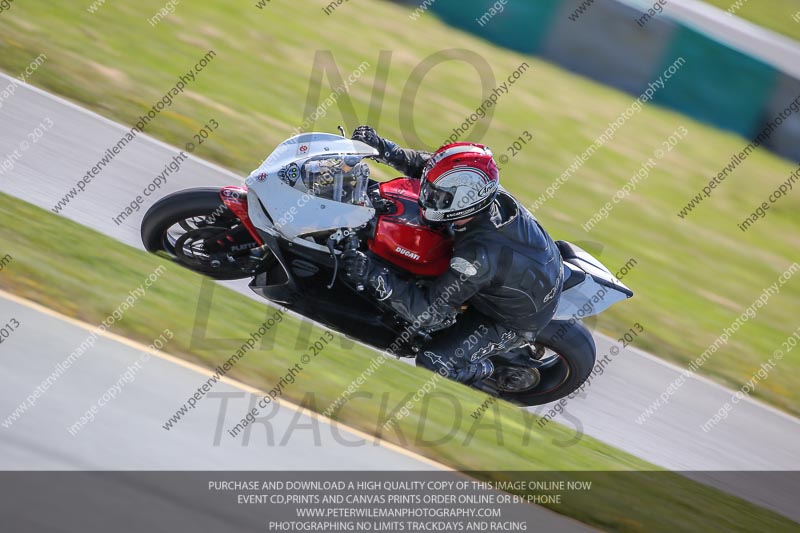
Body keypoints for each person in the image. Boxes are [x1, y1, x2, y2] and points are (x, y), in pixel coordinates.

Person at [342, 126, 563, 385]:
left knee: (434, 362)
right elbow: (427, 168)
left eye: (437, 196)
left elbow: (429, 312)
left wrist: (372, 273)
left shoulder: (477, 256)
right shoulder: (478, 190)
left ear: (463, 201)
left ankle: (493, 371)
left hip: (511, 320)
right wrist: (382, 148)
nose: (427, 195)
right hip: (527, 269)